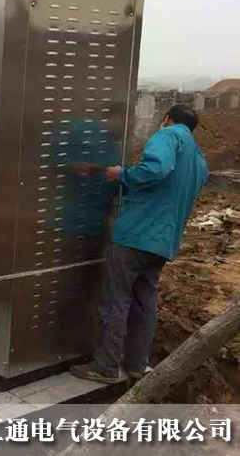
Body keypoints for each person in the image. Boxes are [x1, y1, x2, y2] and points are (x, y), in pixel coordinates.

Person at [71, 105, 208, 384]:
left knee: (116, 300)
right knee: (145, 304)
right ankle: (137, 364)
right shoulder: (199, 159)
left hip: (135, 236)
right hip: (162, 242)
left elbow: (156, 169)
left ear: (167, 119)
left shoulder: (168, 135)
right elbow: (170, 188)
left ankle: (106, 367)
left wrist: (122, 175)